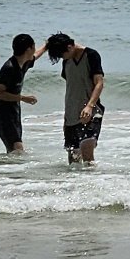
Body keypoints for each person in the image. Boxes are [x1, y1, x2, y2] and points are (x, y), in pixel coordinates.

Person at [46, 33, 106, 165]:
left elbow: (99, 83)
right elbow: (72, 88)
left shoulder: (91, 55)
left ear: (70, 47)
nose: (62, 58)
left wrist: (89, 106)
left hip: (91, 112)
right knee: (73, 160)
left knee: (87, 156)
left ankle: (93, 184)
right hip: (71, 115)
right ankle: (75, 185)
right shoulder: (67, 61)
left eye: (62, 55)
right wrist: (66, 118)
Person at [0, 33, 47, 153]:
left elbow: (36, 55)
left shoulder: (24, 63)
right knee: (17, 150)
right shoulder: (9, 68)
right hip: (3, 115)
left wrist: (46, 46)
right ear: (28, 49)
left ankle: (8, 171)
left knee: (13, 151)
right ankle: (10, 170)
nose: (35, 50)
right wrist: (22, 98)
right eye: (34, 47)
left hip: (14, 113)